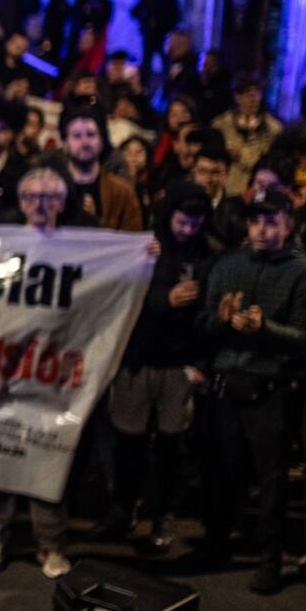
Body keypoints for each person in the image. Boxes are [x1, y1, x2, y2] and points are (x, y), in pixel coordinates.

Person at [199, 187, 306, 593]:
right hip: (225, 383)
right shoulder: (228, 263)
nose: (262, 229)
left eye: (272, 221)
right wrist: (220, 321)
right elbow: (203, 326)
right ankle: (217, 541)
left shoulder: (302, 272)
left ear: (288, 224)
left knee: (270, 478)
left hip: (267, 387)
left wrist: (264, 328)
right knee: (221, 469)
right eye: (255, 221)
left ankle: (269, 558)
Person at [0, 168, 76, 578]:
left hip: (52, 371)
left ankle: (50, 545)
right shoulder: (1, 247)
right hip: (2, 369)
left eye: (50, 197)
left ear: (62, 204)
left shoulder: (79, 249)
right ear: (20, 202)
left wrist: (145, 254)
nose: (40, 204)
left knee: (47, 459)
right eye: (32, 196)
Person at [106, 186, 217, 549]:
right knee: (129, 442)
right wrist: (164, 299)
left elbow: (210, 312)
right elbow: (125, 299)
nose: (187, 229)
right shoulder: (147, 248)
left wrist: (201, 364)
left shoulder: (209, 255)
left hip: (179, 364)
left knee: (172, 446)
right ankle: (124, 508)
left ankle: (163, 515)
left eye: (195, 223)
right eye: (182, 221)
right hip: (140, 359)